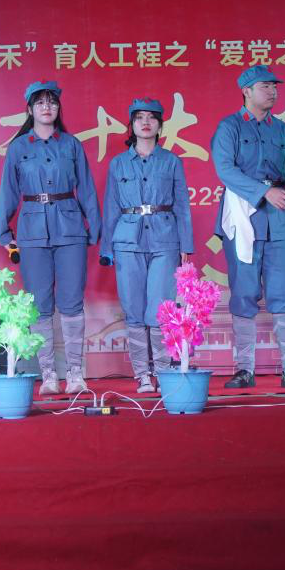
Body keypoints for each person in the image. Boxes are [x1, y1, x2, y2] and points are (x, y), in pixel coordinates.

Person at [211, 64, 285, 389]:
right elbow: (225, 169)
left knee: (284, 293)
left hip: (280, 218)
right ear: (246, 91)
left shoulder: (284, 130)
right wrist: (263, 192)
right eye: (265, 86)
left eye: (274, 86)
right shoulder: (229, 127)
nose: (272, 91)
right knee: (244, 293)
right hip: (243, 215)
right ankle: (244, 369)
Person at [0, 81, 102, 396]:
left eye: (52, 102)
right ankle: (48, 375)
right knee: (40, 305)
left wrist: (95, 226)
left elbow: (86, 188)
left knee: (71, 301)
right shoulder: (18, 148)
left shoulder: (71, 145)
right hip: (31, 231)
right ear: (29, 109)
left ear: (58, 108)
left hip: (70, 227)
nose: (47, 107)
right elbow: (8, 191)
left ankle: (75, 373)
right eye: (40, 102)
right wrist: (4, 231)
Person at [100, 98, 194, 393]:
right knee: (133, 308)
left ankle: (163, 371)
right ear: (131, 125)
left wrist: (186, 245)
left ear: (160, 125)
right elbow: (110, 207)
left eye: (152, 117)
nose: (145, 122)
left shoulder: (172, 161)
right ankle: (142, 375)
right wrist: (106, 249)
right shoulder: (118, 163)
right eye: (139, 117)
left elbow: (182, 205)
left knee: (161, 307)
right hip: (127, 240)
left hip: (165, 239)